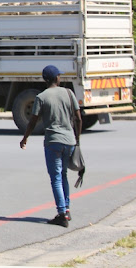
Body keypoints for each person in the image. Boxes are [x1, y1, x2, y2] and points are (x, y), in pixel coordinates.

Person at [20, 65, 82, 227]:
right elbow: (78, 118)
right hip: (69, 141)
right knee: (63, 175)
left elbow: (33, 120)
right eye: (59, 76)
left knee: (55, 178)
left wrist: (25, 138)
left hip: (53, 141)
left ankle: (61, 213)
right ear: (55, 78)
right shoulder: (69, 93)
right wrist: (77, 138)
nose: (60, 78)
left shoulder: (41, 97)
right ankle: (66, 209)